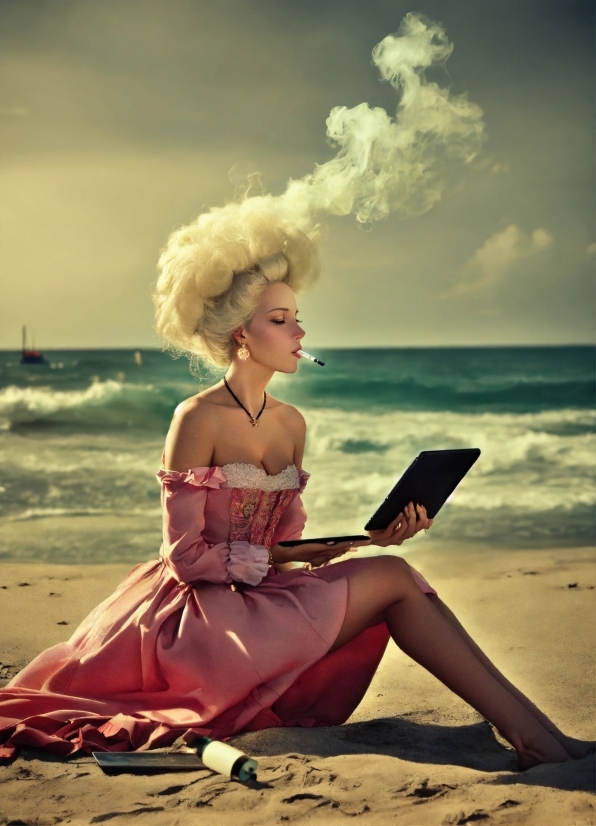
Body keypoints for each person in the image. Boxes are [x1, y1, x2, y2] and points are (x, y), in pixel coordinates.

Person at [0, 200, 590, 770]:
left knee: (397, 574)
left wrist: (364, 540)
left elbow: (283, 551)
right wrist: (271, 561)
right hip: (199, 621)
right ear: (240, 334)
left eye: (297, 318)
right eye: (280, 320)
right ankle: (538, 739)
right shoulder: (196, 417)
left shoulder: (291, 423)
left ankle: (541, 736)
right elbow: (185, 559)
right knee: (396, 583)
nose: (299, 332)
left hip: (261, 601)